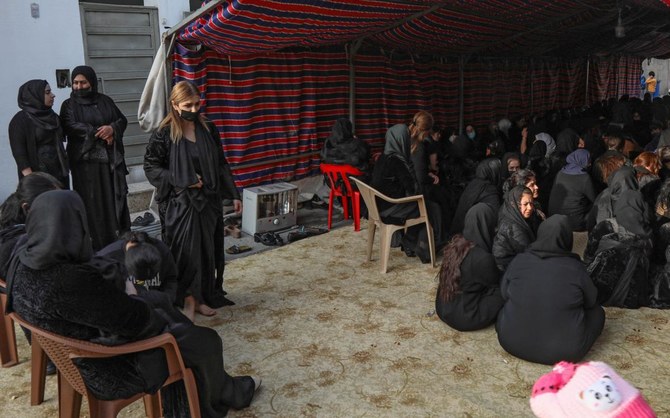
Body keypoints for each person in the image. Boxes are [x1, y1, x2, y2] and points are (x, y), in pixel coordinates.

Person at [5, 190, 259, 417]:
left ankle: (212, 393)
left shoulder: (23, 263)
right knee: (203, 340)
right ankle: (215, 400)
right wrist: (134, 294)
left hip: (69, 354)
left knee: (177, 324)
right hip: (109, 368)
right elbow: (137, 322)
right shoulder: (70, 280)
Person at [144, 80, 241, 319]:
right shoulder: (164, 134)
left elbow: (220, 163)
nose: (195, 109)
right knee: (186, 254)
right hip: (180, 204)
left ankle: (204, 295)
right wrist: (184, 178)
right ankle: (189, 299)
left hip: (208, 201)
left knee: (208, 251)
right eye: (188, 105)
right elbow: (151, 166)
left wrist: (234, 193)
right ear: (175, 105)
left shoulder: (208, 128)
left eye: (198, 103)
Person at [495, 215, 605, 365]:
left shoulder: (520, 260)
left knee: (506, 309)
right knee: (598, 313)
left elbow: (503, 293)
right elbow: (591, 301)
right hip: (564, 352)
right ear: (568, 239)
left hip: (510, 342)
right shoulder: (575, 267)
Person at [60, 66, 130, 250]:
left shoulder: (105, 101)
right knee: (92, 203)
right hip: (85, 165)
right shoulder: (68, 106)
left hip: (108, 162)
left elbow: (122, 120)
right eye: (75, 83)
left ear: (92, 82)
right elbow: (71, 126)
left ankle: (117, 240)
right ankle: (97, 244)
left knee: (112, 199)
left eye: (83, 82)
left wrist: (113, 129)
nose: (79, 86)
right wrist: (100, 132)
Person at [370, 113, 436, 262]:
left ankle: (408, 240)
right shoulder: (398, 162)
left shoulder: (383, 157)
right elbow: (412, 190)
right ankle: (411, 241)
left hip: (376, 205)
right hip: (389, 209)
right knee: (426, 206)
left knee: (421, 203)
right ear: (402, 140)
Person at [435, 203, 503, 331]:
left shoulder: (455, 245)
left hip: (443, 308)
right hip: (464, 317)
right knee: (505, 290)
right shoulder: (481, 257)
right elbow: (496, 281)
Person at [584, 190, 652, 308]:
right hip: (633, 296)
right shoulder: (648, 232)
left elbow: (589, 254)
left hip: (601, 290)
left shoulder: (606, 226)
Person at [8, 79, 69, 187]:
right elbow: (20, 154)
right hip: (38, 177)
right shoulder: (20, 120)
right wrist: (32, 181)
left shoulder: (52, 116)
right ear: (35, 96)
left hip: (59, 172)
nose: (53, 95)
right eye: (47, 92)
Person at [95, 231, 178, 305]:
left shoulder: (162, 249)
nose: (145, 282)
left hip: (159, 304)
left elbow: (171, 279)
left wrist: (166, 299)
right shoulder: (106, 259)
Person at [492, 185, 542, 271]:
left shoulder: (519, 217)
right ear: (514, 204)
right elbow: (527, 254)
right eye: (525, 204)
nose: (530, 208)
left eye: (531, 203)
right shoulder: (513, 227)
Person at [449, 158, 502, 235]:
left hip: (459, 233)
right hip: (471, 236)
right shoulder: (489, 189)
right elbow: (497, 216)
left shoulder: (473, 184)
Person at [548, 149, 596, 231]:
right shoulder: (584, 177)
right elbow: (594, 198)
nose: (590, 164)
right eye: (588, 161)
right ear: (582, 161)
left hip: (554, 218)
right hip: (574, 223)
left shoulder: (561, 172)